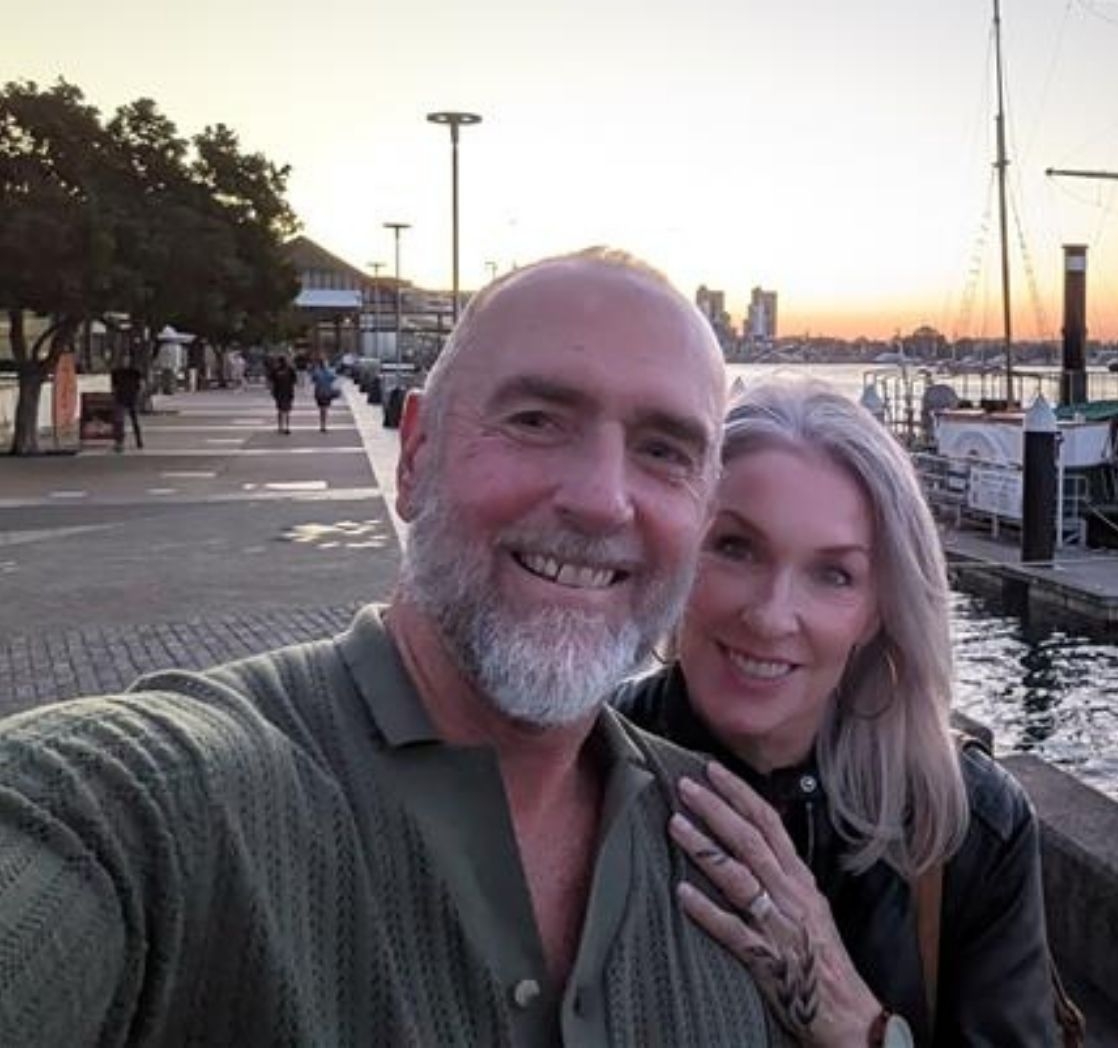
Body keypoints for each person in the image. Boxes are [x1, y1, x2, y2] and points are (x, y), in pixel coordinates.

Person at [0, 249, 783, 1046]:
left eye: (664, 451)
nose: (601, 500)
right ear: (414, 458)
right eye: (536, 421)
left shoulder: (734, 855)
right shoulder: (166, 805)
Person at [616, 378, 1065, 1047]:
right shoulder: (579, 767)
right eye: (736, 547)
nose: (770, 616)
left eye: (834, 574)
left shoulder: (969, 828)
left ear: (877, 609)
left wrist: (859, 1027)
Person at [108, 361, 144, 452]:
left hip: (131, 398)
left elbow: (141, 384)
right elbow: (113, 386)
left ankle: (138, 440)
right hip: (121, 398)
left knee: (134, 420)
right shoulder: (117, 372)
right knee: (119, 421)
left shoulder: (135, 372)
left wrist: (138, 394)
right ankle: (119, 442)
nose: (125, 362)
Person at [267, 354, 297, 433]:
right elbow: (294, 381)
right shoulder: (290, 369)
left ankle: (281, 427)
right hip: (288, 392)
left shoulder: (276, 370)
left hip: (279, 392)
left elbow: (271, 380)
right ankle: (287, 427)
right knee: (287, 410)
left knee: (280, 410)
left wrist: (271, 390)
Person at [311, 357, 340, 432]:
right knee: (324, 409)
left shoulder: (317, 372)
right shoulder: (329, 372)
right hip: (327, 393)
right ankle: (323, 424)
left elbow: (313, 380)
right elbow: (334, 378)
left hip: (319, 393)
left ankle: (322, 424)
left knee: (322, 409)